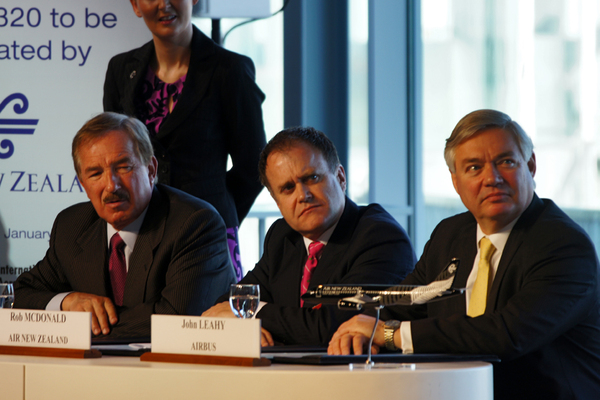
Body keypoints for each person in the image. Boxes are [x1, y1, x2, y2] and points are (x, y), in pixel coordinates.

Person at [328, 109, 600, 400]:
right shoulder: (451, 234)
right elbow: (406, 301)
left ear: (530, 166)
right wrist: (360, 327)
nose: (492, 178)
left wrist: (391, 334)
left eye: (506, 162)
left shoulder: (564, 245)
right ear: (456, 181)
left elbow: (506, 334)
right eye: (473, 168)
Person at [13, 112, 235, 338]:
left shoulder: (194, 224)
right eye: (95, 173)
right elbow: (17, 297)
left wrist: (78, 324)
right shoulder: (72, 226)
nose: (111, 186)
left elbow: (177, 322)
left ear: (151, 170)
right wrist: (66, 303)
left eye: (123, 167)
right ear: (82, 184)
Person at [203, 127, 416, 346]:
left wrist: (252, 315)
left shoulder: (380, 238)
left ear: (341, 178)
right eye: (287, 188)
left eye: (312, 178)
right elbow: (228, 304)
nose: (303, 195)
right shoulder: (282, 236)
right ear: (278, 203)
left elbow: (332, 327)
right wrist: (245, 324)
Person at [103, 0, 267, 280]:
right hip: (142, 234)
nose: (164, 4)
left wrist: (216, 215)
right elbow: (115, 156)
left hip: (210, 236)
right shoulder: (121, 70)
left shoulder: (230, 70)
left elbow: (254, 165)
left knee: (212, 322)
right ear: (135, 5)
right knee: (140, 322)